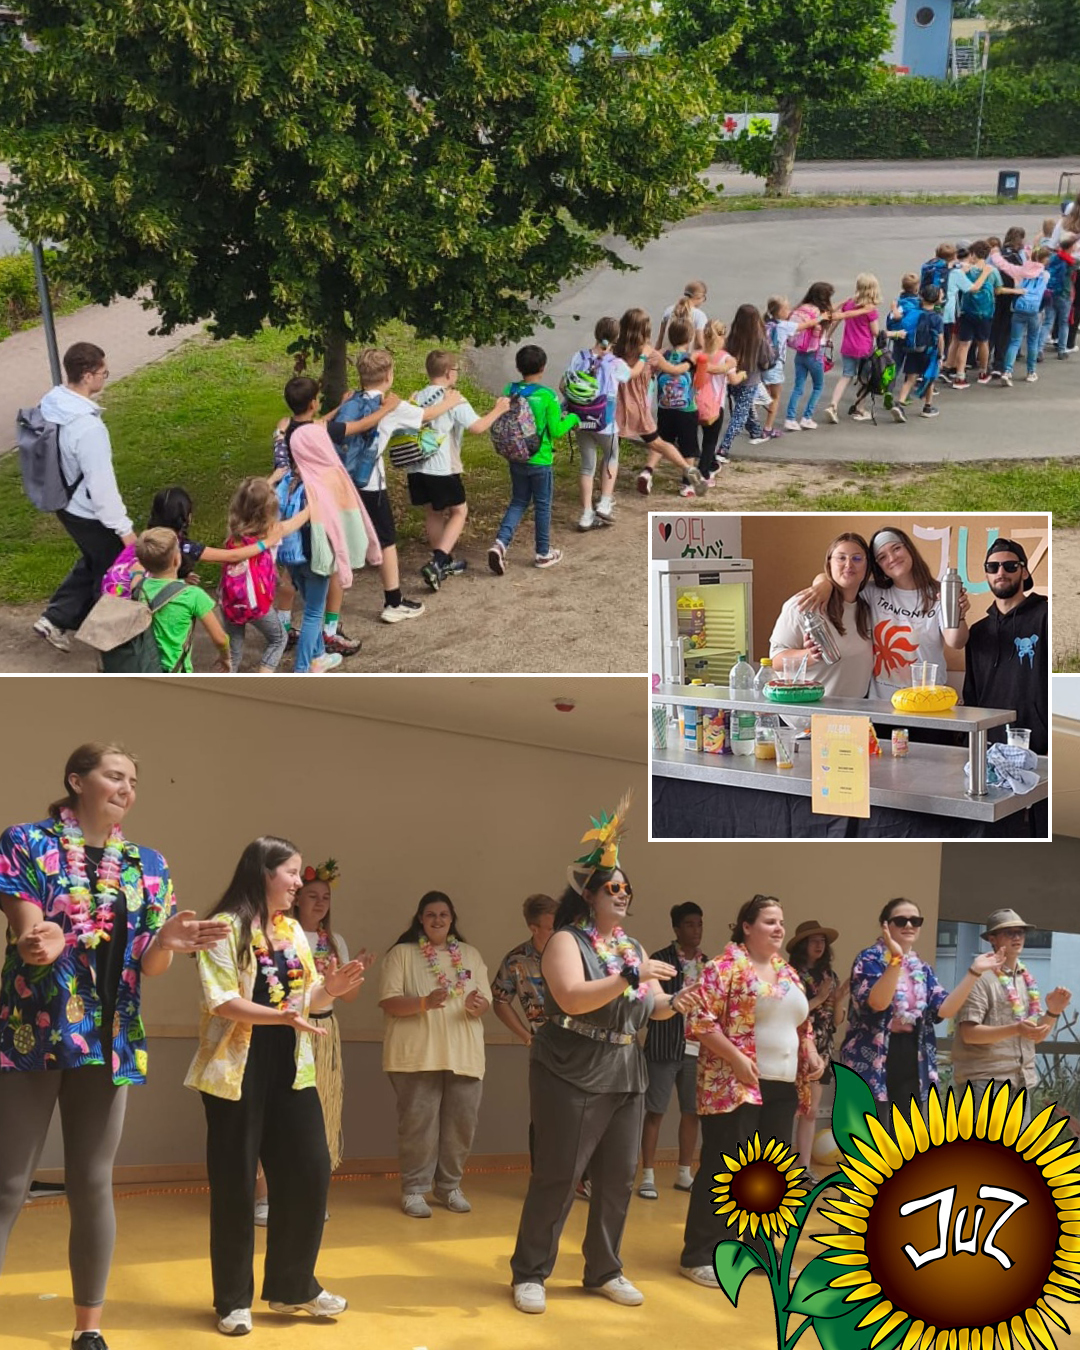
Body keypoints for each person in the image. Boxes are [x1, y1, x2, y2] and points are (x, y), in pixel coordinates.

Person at [0, 742, 230, 1350]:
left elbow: (148, 968)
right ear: (77, 781)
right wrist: (37, 941)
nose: (126, 787)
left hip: (110, 1042)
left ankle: (88, 1329)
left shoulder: (147, 865)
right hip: (34, 1032)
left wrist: (171, 941)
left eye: (134, 779)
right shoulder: (27, 841)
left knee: (92, 1182)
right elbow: (27, 927)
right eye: (114, 775)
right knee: (7, 1181)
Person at [509, 794, 686, 1314]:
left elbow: (651, 1007)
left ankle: (604, 1269)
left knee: (616, 1178)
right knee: (560, 1175)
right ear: (589, 895)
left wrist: (676, 1002)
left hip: (625, 1070)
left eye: (628, 888)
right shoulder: (567, 940)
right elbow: (570, 997)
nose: (624, 894)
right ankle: (530, 1272)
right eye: (614, 887)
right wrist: (631, 976)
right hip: (570, 1070)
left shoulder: (631, 947)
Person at [184, 836, 365, 1336]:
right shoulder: (224, 928)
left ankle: (293, 1287)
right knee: (236, 1186)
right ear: (264, 872)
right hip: (236, 1069)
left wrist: (332, 988)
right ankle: (232, 1301)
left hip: (292, 1065)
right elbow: (221, 1001)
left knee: (311, 1171)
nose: (299, 883)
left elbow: (308, 1000)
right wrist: (285, 1017)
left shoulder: (293, 932)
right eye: (292, 873)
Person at [679, 895, 824, 1288]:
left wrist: (809, 1051)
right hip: (735, 1084)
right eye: (769, 921)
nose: (779, 928)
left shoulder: (788, 972)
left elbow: (801, 1024)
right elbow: (699, 1019)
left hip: (782, 1085)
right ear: (747, 926)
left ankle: (759, 1248)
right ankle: (701, 1253)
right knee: (725, 1168)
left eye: (781, 921)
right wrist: (738, 1060)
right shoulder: (723, 968)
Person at [840, 897, 1003, 1130]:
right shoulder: (868, 959)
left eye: (915, 921)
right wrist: (895, 960)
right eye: (901, 920)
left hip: (912, 1056)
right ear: (885, 926)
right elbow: (877, 1003)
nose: (909, 925)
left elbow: (945, 1008)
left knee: (903, 1137)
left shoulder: (922, 969)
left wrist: (974, 972)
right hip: (871, 1056)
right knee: (868, 1138)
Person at [377, 892, 491, 1218]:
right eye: (431, 915)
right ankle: (414, 1189)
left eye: (443, 914)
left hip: (464, 1053)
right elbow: (389, 1002)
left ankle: (449, 1186)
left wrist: (478, 1005)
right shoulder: (401, 954)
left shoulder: (469, 954)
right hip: (416, 1055)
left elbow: (485, 1001)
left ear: (452, 918)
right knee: (418, 1127)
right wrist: (424, 1002)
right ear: (420, 919)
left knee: (461, 1126)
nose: (438, 920)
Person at [34, 343, 137, 653]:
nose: (105, 378)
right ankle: (111, 645)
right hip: (88, 511)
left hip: (63, 502)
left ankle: (55, 619)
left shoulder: (53, 402)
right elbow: (102, 488)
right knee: (112, 572)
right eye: (103, 372)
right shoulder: (89, 428)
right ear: (89, 375)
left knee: (93, 558)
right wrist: (125, 529)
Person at [796, 526, 969, 702]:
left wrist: (959, 614)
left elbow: (956, 642)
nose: (892, 558)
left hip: (927, 703)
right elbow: (839, 578)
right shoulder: (872, 592)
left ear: (909, 548)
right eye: (882, 557)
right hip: (882, 705)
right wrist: (822, 585)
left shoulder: (939, 593)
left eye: (896, 548)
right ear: (878, 566)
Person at [950, 906, 1071, 1126]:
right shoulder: (980, 977)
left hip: (1020, 1081)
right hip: (986, 1080)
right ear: (993, 939)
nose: (1017, 937)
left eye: (1020, 932)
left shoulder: (1025, 979)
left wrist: (1053, 1012)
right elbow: (969, 1034)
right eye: (1009, 932)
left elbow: (1034, 1035)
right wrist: (1015, 1029)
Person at [409, 351, 509, 588]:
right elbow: (477, 427)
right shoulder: (454, 398)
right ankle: (438, 561)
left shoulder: (416, 396)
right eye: (456, 370)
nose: (457, 375)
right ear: (448, 372)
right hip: (442, 467)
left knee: (433, 512)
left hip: (416, 466)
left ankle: (442, 560)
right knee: (459, 511)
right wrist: (499, 409)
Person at [488, 344, 579, 573]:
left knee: (518, 501)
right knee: (542, 505)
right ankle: (542, 552)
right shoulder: (547, 395)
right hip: (540, 460)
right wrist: (573, 418)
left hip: (516, 457)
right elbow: (557, 430)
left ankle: (500, 544)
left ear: (518, 367)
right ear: (543, 367)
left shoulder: (511, 389)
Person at [638, 901, 707, 1201]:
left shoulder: (709, 963)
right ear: (677, 929)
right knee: (655, 1111)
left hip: (698, 1048)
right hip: (664, 1046)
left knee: (692, 1112)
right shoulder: (660, 960)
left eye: (699, 924)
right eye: (690, 924)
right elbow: (651, 1002)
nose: (696, 930)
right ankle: (648, 1175)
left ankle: (683, 1172)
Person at [962, 538, 1048, 757]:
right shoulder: (978, 632)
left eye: (1010, 566)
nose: (1001, 572)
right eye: (992, 567)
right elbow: (971, 694)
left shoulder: (1046, 617)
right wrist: (968, 742)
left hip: (1039, 746)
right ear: (987, 575)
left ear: (1025, 572)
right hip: (989, 747)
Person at [219, 477, 312, 674]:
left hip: (229, 599)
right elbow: (297, 521)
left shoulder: (234, 532)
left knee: (234, 652)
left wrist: (274, 477)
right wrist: (312, 506)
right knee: (279, 639)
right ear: (269, 511)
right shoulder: (273, 531)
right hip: (255, 602)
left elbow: (251, 499)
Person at [610, 308, 704, 497]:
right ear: (646, 330)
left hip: (614, 408)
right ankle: (688, 469)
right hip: (638, 408)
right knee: (659, 443)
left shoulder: (615, 351)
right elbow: (674, 370)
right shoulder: (650, 354)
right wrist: (690, 363)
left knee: (611, 452)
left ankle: (607, 492)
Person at [769, 532, 874, 698]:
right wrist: (809, 656)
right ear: (829, 563)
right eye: (841, 558)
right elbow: (775, 661)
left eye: (857, 558)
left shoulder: (868, 609)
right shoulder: (804, 604)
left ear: (867, 566)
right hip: (806, 715)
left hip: (851, 717)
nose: (849, 565)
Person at [786, 920, 848, 1182]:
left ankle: (803, 1167)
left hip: (822, 1049)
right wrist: (821, 998)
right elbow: (791, 1013)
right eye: (814, 941)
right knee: (787, 1107)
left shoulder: (829, 977)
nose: (820, 945)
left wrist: (839, 998)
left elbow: (835, 1022)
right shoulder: (790, 974)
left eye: (823, 941)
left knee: (811, 1110)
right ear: (802, 945)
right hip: (795, 1045)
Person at [561, 319, 632, 529]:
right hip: (605, 422)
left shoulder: (579, 357)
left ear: (595, 333)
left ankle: (585, 513)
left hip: (581, 419)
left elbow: (564, 384)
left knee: (587, 465)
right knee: (611, 456)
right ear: (616, 339)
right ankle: (605, 502)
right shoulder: (616, 364)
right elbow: (629, 376)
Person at [134, 527, 232, 673]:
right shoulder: (192, 595)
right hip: (176, 669)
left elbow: (137, 571)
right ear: (177, 559)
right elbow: (220, 639)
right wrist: (225, 658)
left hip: (143, 666)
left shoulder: (138, 586)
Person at [492, 893, 559, 1049]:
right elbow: (500, 1001)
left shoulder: (574, 952)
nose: (558, 931)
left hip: (581, 1046)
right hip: (544, 1046)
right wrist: (527, 1038)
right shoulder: (516, 960)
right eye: (551, 928)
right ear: (534, 929)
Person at [821, 273, 881, 423]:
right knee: (864, 379)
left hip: (848, 346)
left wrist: (827, 336)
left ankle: (833, 405)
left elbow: (837, 321)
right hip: (864, 348)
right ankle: (860, 408)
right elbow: (875, 332)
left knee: (846, 375)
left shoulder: (849, 304)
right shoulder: (870, 310)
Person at [717, 304, 771, 460]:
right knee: (740, 414)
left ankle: (756, 431)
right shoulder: (760, 339)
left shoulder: (731, 338)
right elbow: (765, 361)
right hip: (750, 380)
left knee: (745, 406)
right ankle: (723, 448)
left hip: (732, 379)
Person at [886, 284, 945, 421]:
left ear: (921, 297)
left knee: (910, 379)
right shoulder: (937, 318)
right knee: (929, 379)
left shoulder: (913, 312)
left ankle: (899, 404)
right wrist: (941, 355)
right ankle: (927, 407)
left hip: (913, 350)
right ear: (937, 300)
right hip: (929, 353)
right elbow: (941, 338)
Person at [783, 282, 835, 431]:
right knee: (818, 386)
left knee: (798, 387)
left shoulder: (801, 308)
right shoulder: (821, 313)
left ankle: (790, 418)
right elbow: (835, 317)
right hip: (815, 354)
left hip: (800, 353)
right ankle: (807, 417)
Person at [656, 281, 709, 351]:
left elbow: (660, 340)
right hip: (686, 358)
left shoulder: (668, 310)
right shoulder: (700, 315)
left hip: (666, 356)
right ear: (700, 297)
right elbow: (700, 344)